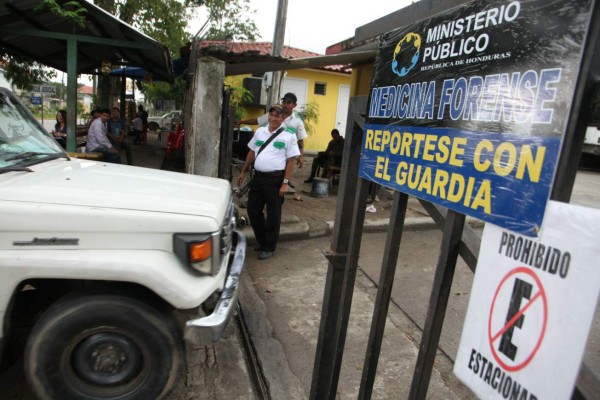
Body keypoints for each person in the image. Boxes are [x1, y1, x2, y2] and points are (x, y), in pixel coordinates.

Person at [237, 104, 300, 261]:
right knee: (253, 210)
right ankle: (263, 240)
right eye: (271, 115)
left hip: (275, 180)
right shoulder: (260, 131)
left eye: (277, 116)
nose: (272, 118)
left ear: (283, 118)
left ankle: (269, 247)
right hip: (258, 178)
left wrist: (285, 183)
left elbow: (291, 161)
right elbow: (252, 152)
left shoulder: (289, 135)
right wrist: (243, 171)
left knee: (273, 214)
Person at [238, 92, 307, 169]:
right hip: (269, 149)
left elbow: (300, 140)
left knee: (284, 173)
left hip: (286, 153)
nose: (285, 105)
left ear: (294, 105)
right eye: (284, 102)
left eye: (288, 103)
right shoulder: (272, 114)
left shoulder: (298, 121)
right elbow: (257, 120)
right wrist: (241, 122)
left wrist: (301, 156)